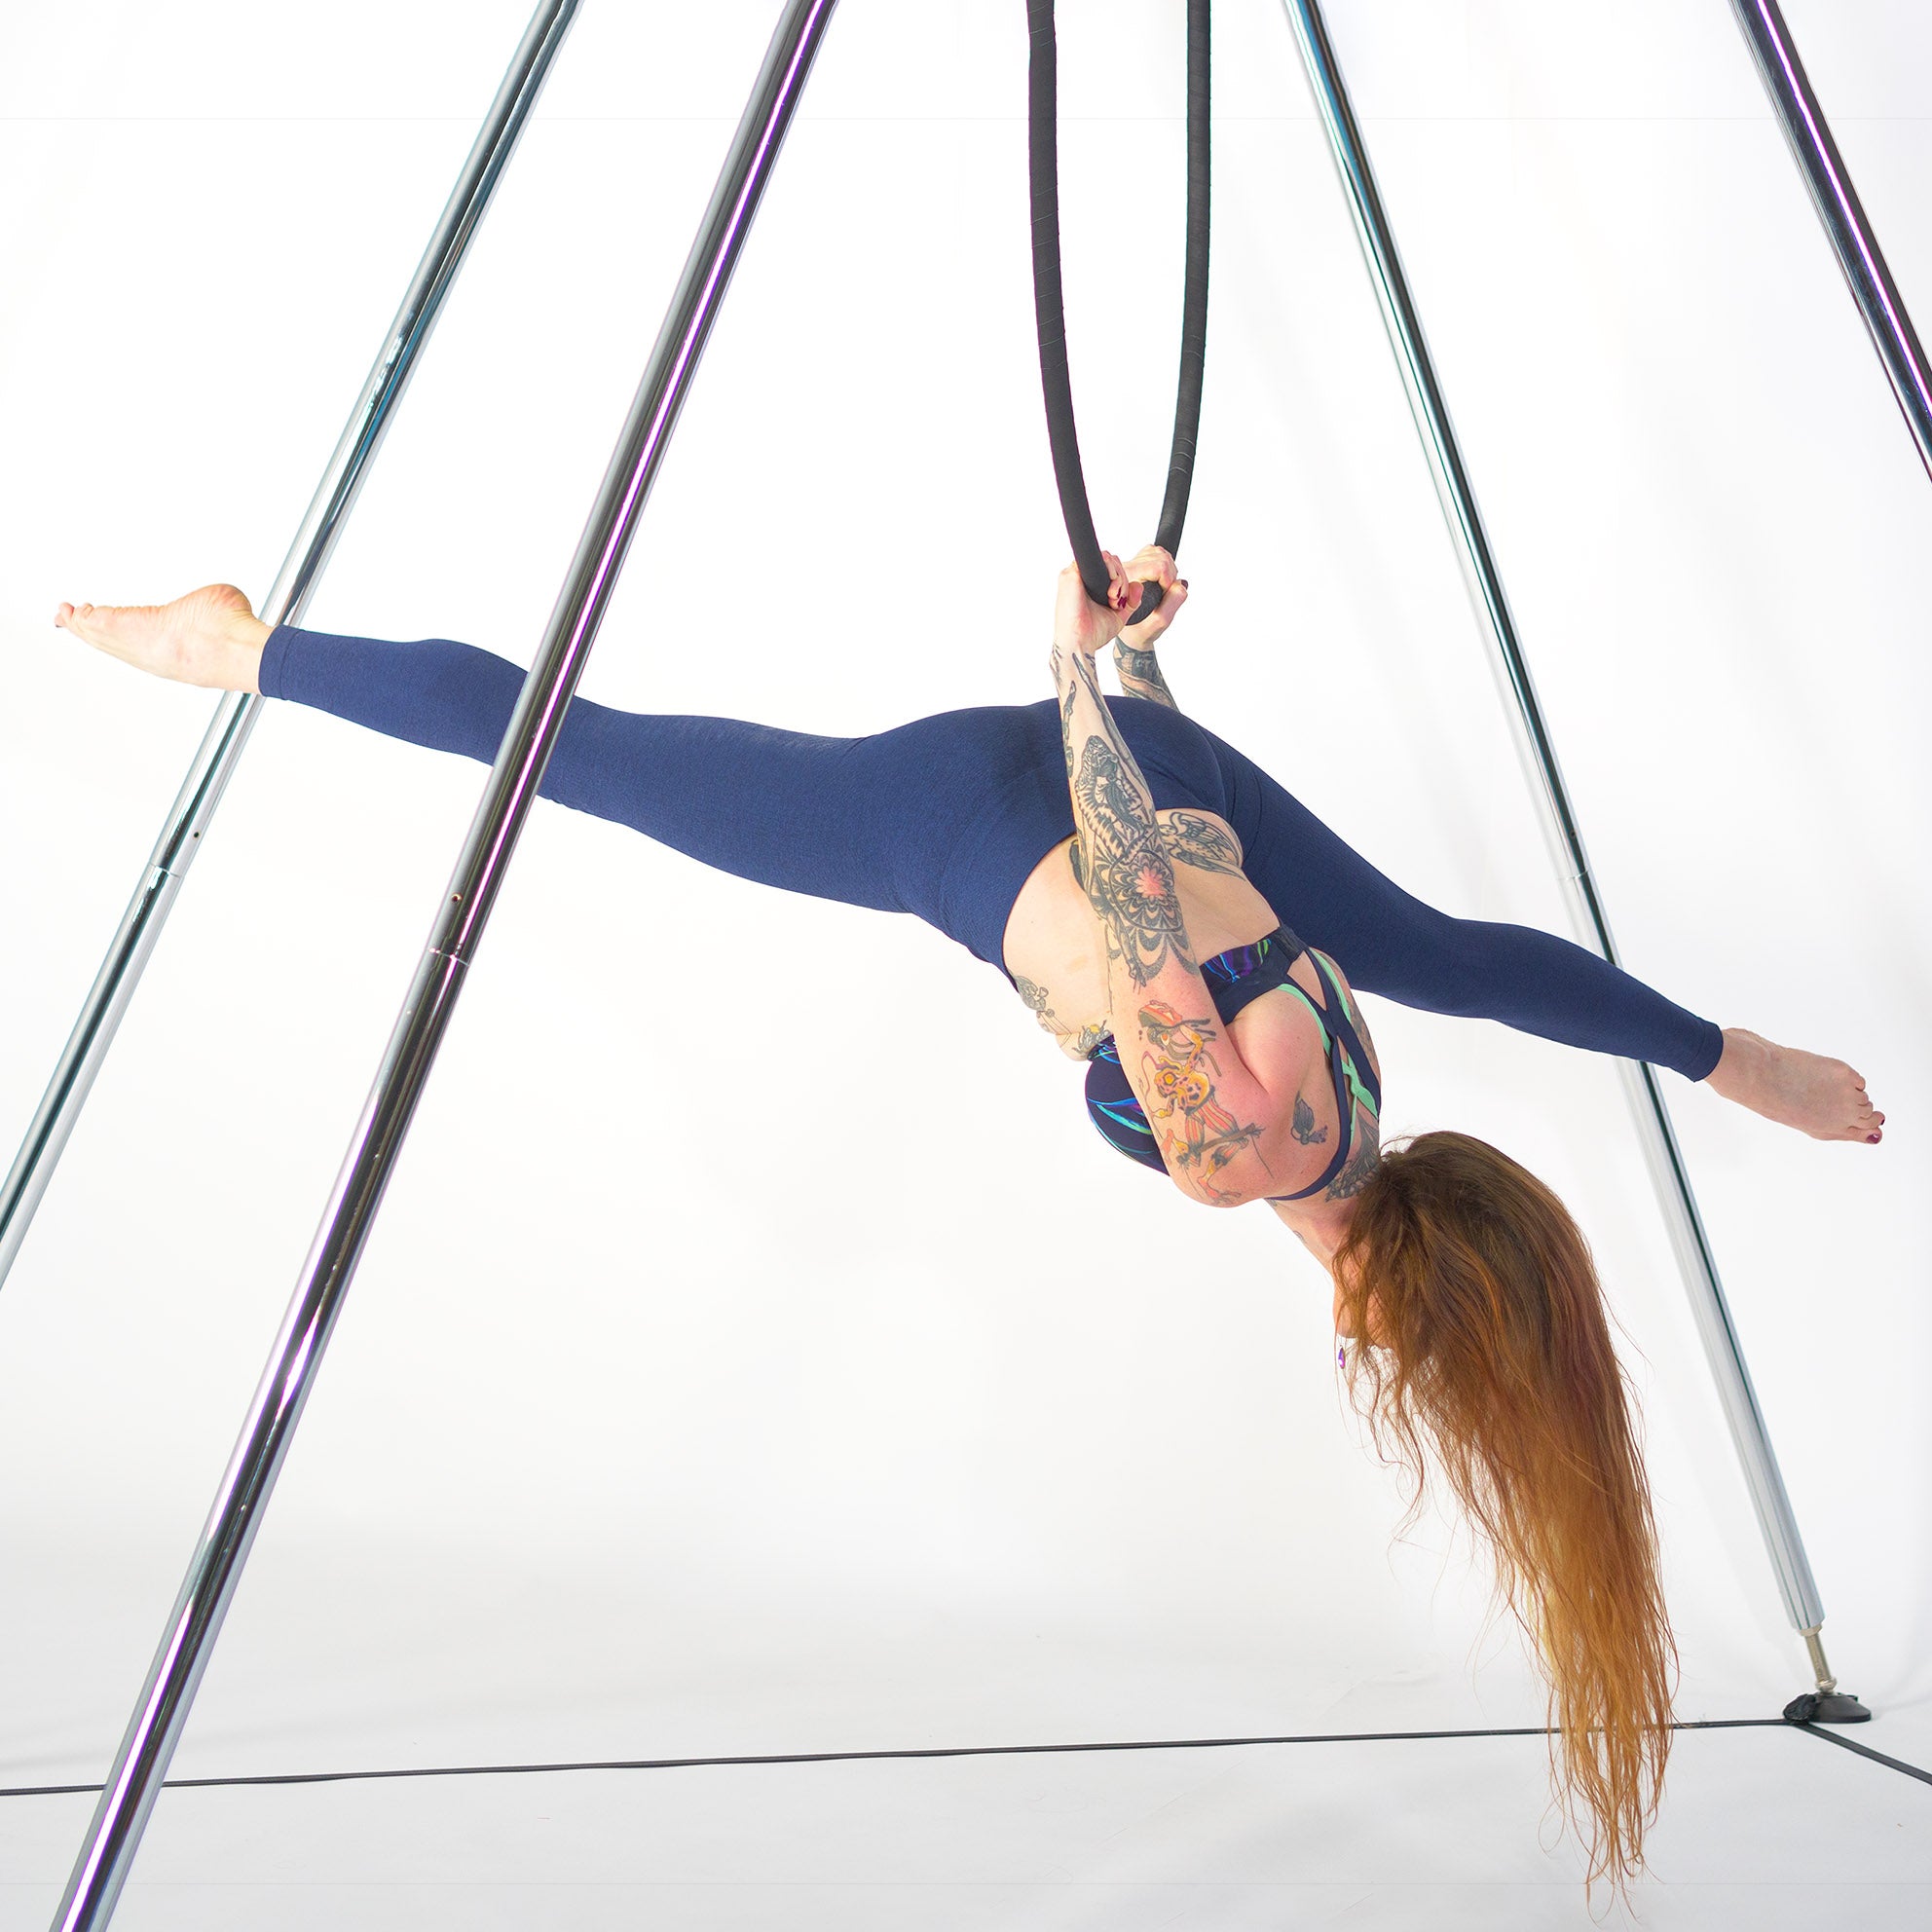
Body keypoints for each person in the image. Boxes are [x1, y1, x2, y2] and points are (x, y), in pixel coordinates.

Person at [54, 545, 1882, 1889]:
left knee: (1412, 943)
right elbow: (1136, 912)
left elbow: (1464, 959)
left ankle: (1734, 1060)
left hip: (1170, 780)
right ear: (1378, 1328)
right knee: (575, 755)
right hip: (980, 814)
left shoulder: (1353, 1094)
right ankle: (234, 647)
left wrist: (1742, 1064)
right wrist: (1076, 670)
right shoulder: (1232, 1151)